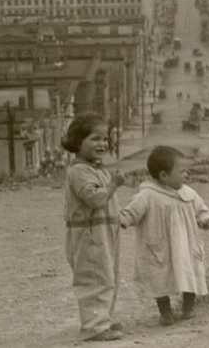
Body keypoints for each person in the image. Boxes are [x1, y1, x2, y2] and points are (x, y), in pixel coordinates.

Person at [119, 146, 209, 326]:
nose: (186, 175)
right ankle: (165, 311)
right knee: (159, 275)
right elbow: (131, 213)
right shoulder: (147, 195)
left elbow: (201, 211)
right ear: (164, 175)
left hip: (186, 244)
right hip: (160, 245)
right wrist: (122, 219)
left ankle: (188, 307)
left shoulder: (188, 194)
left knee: (189, 271)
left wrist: (207, 220)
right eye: (181, 172)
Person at [62, 112, 125, 342]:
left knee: (108, 276)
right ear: (78, 141)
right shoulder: (78, 171)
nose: (102, 144)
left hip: (104, 232)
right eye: (95, 139)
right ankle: (94, 326)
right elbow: (96, 199)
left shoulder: (97, 169)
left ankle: (103, 318)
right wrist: (114, 185)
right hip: (89, 235)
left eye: (105, 139)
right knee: (94, 278)